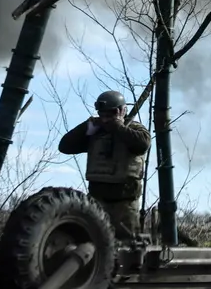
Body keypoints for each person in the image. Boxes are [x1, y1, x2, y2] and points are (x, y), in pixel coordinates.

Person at [58, 90, 151, 239]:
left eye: (111, 114)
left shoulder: (134, 129)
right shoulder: (96, 133)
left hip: (125, 202)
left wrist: (119, 127)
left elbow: (143, 144)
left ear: (121, 111)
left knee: (127, 245)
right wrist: (86, 127)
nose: (106, 119)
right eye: (103, 115)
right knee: (94, 242)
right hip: (97, 200)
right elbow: (65, 146)